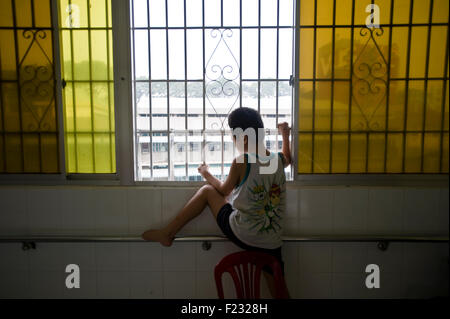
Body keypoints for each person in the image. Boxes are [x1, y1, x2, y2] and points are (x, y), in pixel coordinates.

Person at [142, 107, 292, 298]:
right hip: (271, 240)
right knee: (280, 291)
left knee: (206, 191)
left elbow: (222, 190)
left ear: (244, 138)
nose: (232, 140)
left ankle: (167, 233)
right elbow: (287, 157)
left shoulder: (242, 161)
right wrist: (285, 135)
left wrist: (206, 173)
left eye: (233, 136)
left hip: (245, 233)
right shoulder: (276, 159)